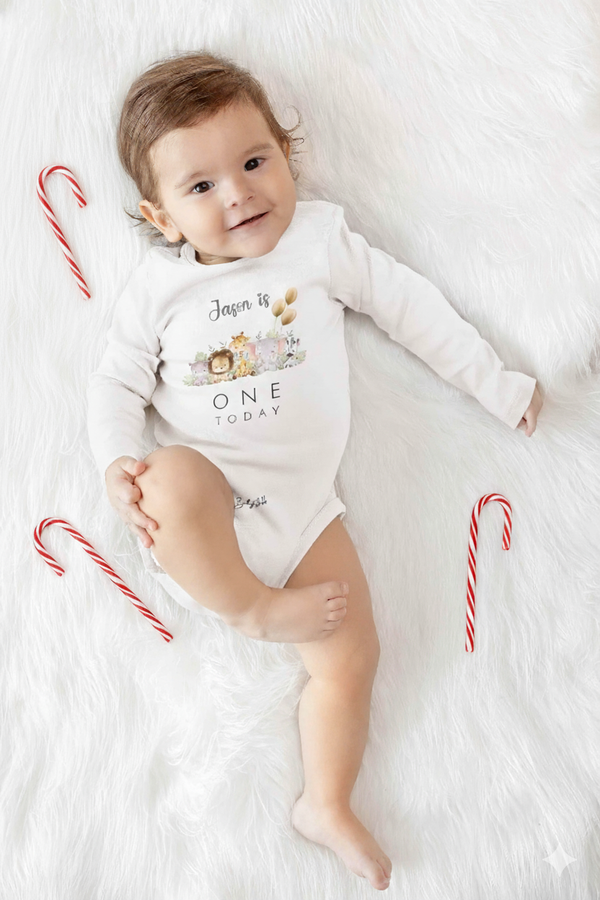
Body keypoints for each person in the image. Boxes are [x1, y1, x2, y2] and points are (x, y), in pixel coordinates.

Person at [87, 50, 543, 892]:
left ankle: (326, 801)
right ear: (159, 216)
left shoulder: (320, 240)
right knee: (170, 476)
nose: (239, 194)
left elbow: (411, 309)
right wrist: (119, 461)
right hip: (211, 512)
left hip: (302, 513)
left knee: (352, 652)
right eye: (201, 188)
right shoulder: (157, 289)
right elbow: (115, 382)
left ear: (285, 154)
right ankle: (254, 609)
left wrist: (494, 381)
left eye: (254, 162)